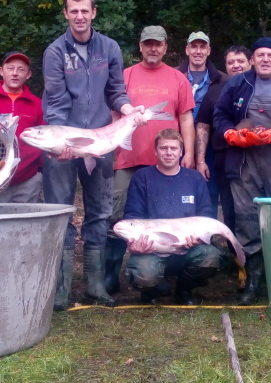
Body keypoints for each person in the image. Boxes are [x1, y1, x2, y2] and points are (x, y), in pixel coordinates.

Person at [42, 0, 140, 309]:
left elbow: (116, 91)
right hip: (64, 144)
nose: (80, 16)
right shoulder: (55, 52)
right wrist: (61, 143)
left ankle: (95, 287)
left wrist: (128, 111)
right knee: (60, 212)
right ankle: (60, 290)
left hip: (100, 142)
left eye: (85, 10)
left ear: (94, 12)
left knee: (99, 211)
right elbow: (56, 101)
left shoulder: (109, 47)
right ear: (66, 14)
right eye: (74, 11)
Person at [213, 37, 271, 304]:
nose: (265, 59)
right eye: (260, 55)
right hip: (244, 164)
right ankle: (252, 283)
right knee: (247, 222)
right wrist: (230, 133)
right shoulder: (237, 84)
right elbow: (220, 115)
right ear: (252, 60)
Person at [105, 26, 196, 296]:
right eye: (148, 44)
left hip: (167, 165)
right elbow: (114, 116)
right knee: (117, 217)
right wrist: (113, 151)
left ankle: (161, 273)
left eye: (158, 44)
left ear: (165, 47)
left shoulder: (178, 78)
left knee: (164, 217)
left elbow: (186, 118)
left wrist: (189, 153)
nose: (153, 48)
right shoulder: (125, 76)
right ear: (140, 47)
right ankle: (111, 275)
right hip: (128, 160)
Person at [122, 128, 225, 305]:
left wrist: (198, 238)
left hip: (187, 247)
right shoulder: (142, 177)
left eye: (174, 148)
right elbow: (133, 216)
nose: (169, 152)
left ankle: (184, 289)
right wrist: (135, 243)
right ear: (155, 151)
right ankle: (151, 290)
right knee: (144, 273)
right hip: (153, 249)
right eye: (163, 148)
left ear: (181, 151)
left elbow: (206, 215)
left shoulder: (194, 178)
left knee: (211, 256)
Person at [195, 46, 247, 231]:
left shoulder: (261, 86)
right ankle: (233, 247)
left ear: (251, 62)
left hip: (255, 155)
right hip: (224, 157)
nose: (236, 65)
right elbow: (203, 125)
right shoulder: (215, 90)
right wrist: (200, 160)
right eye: (231, 62)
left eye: (240, 61)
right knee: (229, 207)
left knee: (252, 207)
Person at [177, 32, 225, 218]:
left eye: (202, 47)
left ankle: (208, 228)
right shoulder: (174, 75)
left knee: (208, 187)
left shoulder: (222, 80)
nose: (198, 51)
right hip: (178, 140)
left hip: (210, 142)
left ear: (209, 51)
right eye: (194, 47)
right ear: (187, 50)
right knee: (180, 185)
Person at [0, 51, 45, 203]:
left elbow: (45, 139)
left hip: (28, 179)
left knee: (25, 218)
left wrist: (40, 171)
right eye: (10, 68)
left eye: (21, 70)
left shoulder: (37, 104)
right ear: (1, 71)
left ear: (28, 75)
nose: (15, 73)